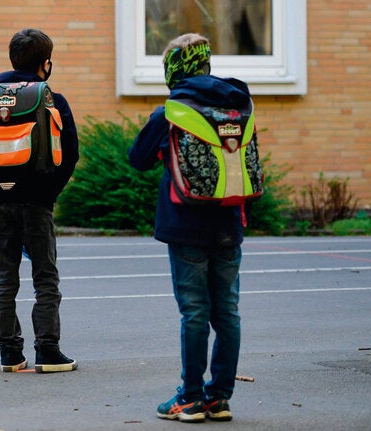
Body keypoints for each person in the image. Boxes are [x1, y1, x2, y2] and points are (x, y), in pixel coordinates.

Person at [128, 33, 248, 423]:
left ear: (172, 69)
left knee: (194, 312)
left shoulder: (173, 111)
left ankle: (191, 397)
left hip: (186, 225)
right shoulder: (238, 105)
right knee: (227, 312)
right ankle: (220, 397)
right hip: (230, 221)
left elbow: (138, 158)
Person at [0, 29, 79, 373]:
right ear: (46, 63)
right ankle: (48, 351)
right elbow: (70, 154)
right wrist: (48, 193)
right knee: (45, 278)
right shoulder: (52, 98)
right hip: (37, 203)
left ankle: (10, 354)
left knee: (4, 277)